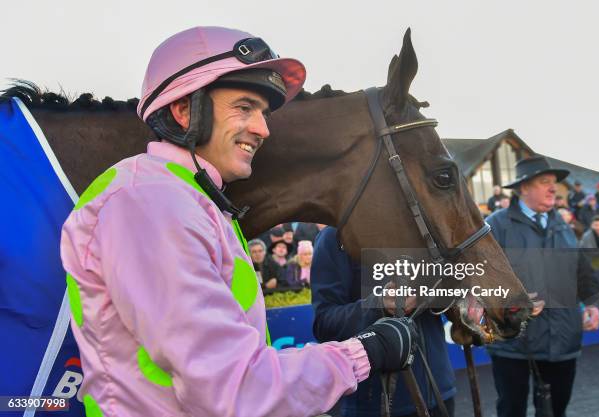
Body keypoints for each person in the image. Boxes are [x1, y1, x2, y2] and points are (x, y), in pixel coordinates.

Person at [60, 26, 418, 417]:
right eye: (244, 107)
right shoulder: (149, 203)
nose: (264, 129)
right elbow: (238, 389)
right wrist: (361, 354)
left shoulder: (190, 199)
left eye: (263, 113)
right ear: (184, 111)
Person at [486, 155, 599, 417]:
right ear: (523, 188)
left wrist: (594, 303)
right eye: (544, 182)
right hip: (513, 344)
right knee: (511, 410)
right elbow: (480, 279)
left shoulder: (562, 224)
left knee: (554, 411)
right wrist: (510, 301)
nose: (553, 188)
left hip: (563, 340)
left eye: (553, 182)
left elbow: (582, 270)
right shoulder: (496, 225)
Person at [312, 227, 456, 417]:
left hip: (440, 392)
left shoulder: (424, 224)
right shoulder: (336, 235)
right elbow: (324, 323)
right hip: (378, 405)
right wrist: (377, 304)